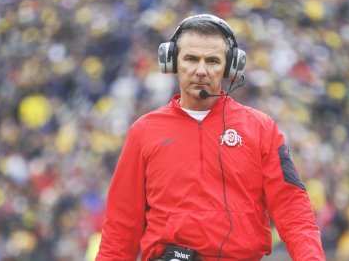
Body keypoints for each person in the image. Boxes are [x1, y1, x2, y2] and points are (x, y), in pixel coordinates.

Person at [96, 14, 325, 261]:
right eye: (191, 59)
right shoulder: (143, 132)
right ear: (172, 62)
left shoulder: (260, 128)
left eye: (213, 61)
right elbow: (120, 229)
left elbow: (292, 208)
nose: (201, 70)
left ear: (230, 68)